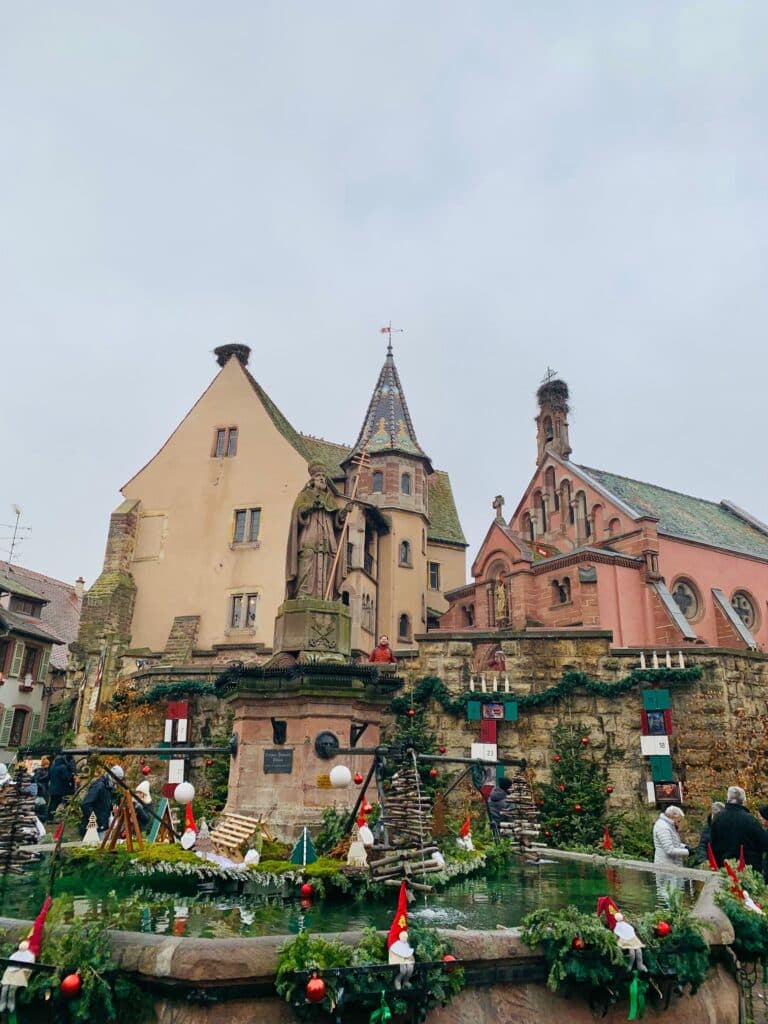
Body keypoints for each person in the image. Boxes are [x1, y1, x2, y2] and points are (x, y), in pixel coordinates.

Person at [710, 786, 768, 872]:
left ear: (728, 798)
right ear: (744, 800)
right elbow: (764, 843)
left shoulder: (717, 819)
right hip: (748, 871)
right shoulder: (750, 820)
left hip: (724, 869)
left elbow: (712, 844)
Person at [80, 766, 124, 836]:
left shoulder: (109, 787)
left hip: (102, 827)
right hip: (93, 828)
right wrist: (96, 820)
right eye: (118, 779)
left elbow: (103, 804)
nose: (118, 783)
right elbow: (86, 805)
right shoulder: (99, 786)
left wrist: (112, 808)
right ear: (113, 776)